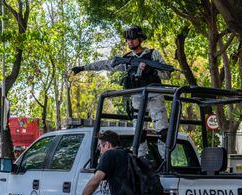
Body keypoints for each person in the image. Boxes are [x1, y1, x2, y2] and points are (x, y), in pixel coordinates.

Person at [71, 26, 171, 159]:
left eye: (133, 38)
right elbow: (105, 64)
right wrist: (83, 68)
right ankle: (140, 161)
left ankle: (166, 163)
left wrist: (151, 70)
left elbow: (167, 74)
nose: (129, 41)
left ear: (140, 39)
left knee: (163, 131)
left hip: (155, 96)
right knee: (139, 133)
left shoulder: (153, 54)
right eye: (127, 39)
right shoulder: (127, 60)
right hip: (137, 98)